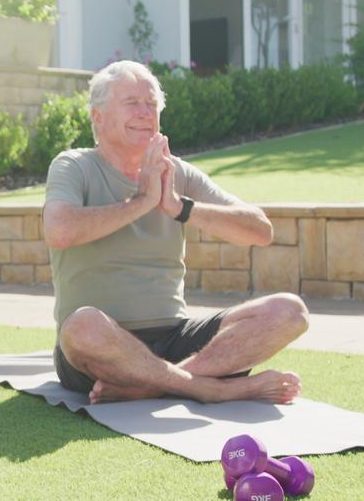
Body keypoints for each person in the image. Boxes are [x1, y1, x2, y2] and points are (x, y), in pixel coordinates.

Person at [42, 60, 309, 406]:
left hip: (175, 338)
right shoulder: (73, 165)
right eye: (132, 103)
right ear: (98, 116)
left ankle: (154, 384)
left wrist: (179, 207)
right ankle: (210, 388)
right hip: (105, 345)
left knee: (290, 311)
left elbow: (259, 230)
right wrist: (142, 202)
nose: (144, 112)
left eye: (151, 103)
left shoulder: (178, 173)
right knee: (80, 328)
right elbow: (59, 230)